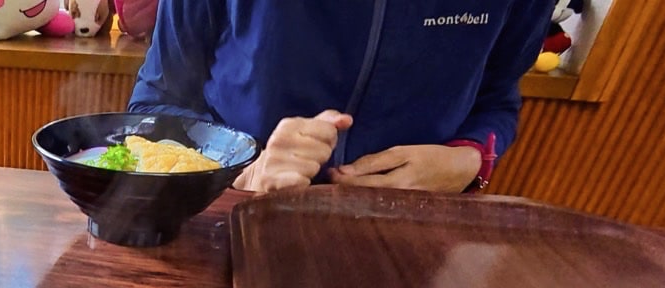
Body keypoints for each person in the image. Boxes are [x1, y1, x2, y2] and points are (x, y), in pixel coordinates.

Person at [128, 1, 552, 193]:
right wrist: (233, 167)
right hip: (234, 225)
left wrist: (470, 159)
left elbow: (497, 97)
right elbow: (154, 103)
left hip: (413, 250)